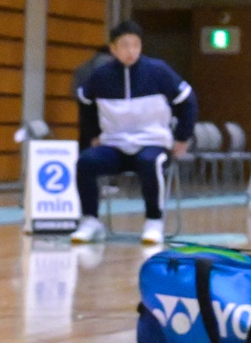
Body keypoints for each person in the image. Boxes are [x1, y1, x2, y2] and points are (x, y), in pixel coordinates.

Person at [74, 20, 195, 248]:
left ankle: (154, 221)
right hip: (114, 144)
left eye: (135, 45)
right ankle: (90, 220)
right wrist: (93, 134)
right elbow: (84, 102)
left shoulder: (159, 71)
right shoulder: (100, 76)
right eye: (125, 45)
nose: (131, 51)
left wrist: (182, 137)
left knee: (150, 162)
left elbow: (188, 101)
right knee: (86, 162)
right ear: (113, 48)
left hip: (153, 143)